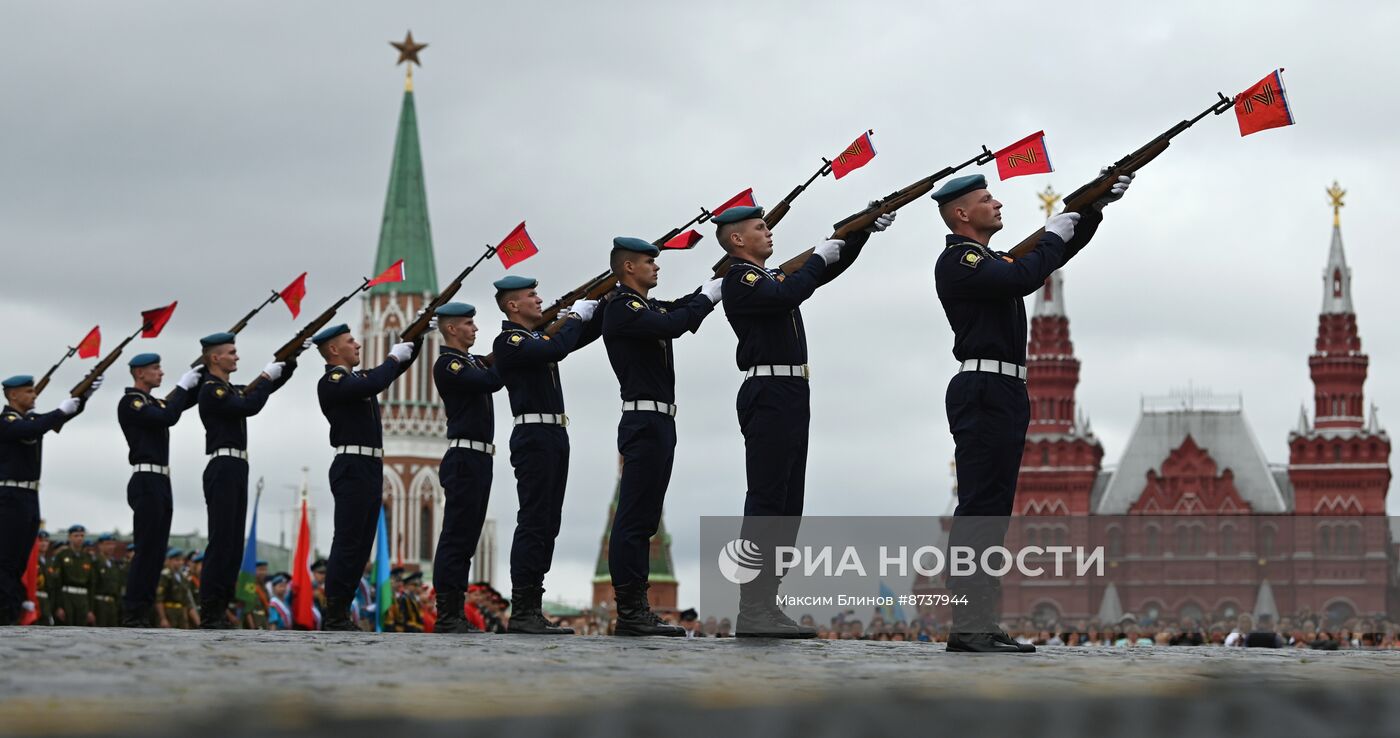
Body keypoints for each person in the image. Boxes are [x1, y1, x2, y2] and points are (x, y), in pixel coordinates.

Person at [931, 172, 1131, 653]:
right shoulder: (960, 260)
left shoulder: (990, 260)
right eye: (986, 199)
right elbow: (1025, 276)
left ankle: (981, 620)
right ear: (961, 213)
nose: (997, 203)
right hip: (982, 387)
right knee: (979, 510)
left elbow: (1049, 256)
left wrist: (1090, 212)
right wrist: (1059, 225)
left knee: (995, 513)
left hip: (1006, 388)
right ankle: (969, 624)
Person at [713, 203, 895, 637]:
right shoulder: (741, 279)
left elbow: (822, 272)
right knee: (767, 501)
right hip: (769, 391)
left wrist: (858, 234)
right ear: (737, 240)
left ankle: (767, 601)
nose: (769, 232)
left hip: (791, 392)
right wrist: (821, 253)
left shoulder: (768, 276)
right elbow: (794, 290)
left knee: (789, 504)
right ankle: (752, 606)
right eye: (760, 228)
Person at [601, 237, 720, 636]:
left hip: (659, 422)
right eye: (649, 262)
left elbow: (677, 310)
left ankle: (638, 607)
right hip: (644, 421)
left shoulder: (643, 307)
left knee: (645, 517)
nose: (657, 267)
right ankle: (631, 610)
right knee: (634, 519)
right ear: (629, 267)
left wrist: (708, 290)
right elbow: (674, 323)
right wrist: (710, 296)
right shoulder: (622, 306)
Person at [491, 275, 601, 634]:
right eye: (531, 295)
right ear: (512, 305)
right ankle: (523, 609)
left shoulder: (537, 337)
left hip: (554, 433)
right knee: (534, 520)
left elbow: (579, 337)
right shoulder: (509, 340)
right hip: (533, 434)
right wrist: (574, 316)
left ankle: (533, 606)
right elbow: (557, 348)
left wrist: (601, 303)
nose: (539, 299)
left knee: (548, 522)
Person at [311, 323, 418, 630]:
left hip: (370, 466)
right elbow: (379, 379)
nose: (357, 345)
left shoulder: (356, 378)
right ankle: (335, 612)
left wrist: (417, 336)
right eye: (350, 341)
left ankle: (342, 610)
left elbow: (393, 369)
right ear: (333, 350)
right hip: (351, 464)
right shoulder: (333, 380)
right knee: (348, 540)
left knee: (362, 543)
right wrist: (394, 358)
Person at [196, 332, 293, 628]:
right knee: (222, 541)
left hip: (237, 466)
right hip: (222, 465)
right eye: (231, 352)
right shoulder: (211, 389)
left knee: (233, 544)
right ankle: (211, 610)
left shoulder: (229, 388)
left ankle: (221, 608)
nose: (237, 357)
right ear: (215, 358)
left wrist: (290, 360)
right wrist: (265, 375)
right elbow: (249, 405)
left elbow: (263, 391)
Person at [429, 302, 505, 634]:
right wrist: (510, 347)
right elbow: (491, 381)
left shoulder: (469, 362)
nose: (475, 329)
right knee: (456, 537)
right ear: (451, 329)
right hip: (464, 457)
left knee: (468, 536)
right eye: (468, 324)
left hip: (479, 458)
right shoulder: (449, 365)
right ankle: (448, 612)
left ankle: (455, 610)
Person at [0, 374, 98, 625]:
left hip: (30, 495)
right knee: (7, 558)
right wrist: (60, 410)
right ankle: (6, 611)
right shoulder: (7, 421)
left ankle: (10, 610)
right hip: (9, 496)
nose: (34, 396)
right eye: (29, 392)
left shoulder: (31, 419)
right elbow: (33, 427)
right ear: (13, 395)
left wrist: (83, 397)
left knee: (20, 558)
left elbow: (51, 420)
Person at [117, 352, 203, 627]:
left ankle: (142, 612)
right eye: (156, 368)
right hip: (146, 479)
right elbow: (169, 415)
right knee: (146, 549)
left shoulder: (151, 402)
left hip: (161, 481)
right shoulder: (132, 402)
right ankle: (134, 612)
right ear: (139, 373)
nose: (161, 373)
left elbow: (179, 404)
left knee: (156, 551)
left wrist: (199, 379)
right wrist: (182, 385)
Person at [51, 525, 95, 626]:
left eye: (82, 535)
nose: (79, 538)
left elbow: (92, 584)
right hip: (66, 597)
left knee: (82, 629)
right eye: (76, 535)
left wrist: (90, 609)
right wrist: (58, 606)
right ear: (69, 537)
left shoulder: (88, 558)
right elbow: (56, 583)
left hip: (83, 599)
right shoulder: (62, 556)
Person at [157, 548, 193, 629]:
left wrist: (185, 619)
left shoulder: (182, 576)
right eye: (177, 560)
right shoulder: (165, 575)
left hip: (180, 614)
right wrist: (163, 618)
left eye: (181, 560)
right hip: (169, 612)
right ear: (169, 561)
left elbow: (185, 600)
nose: (180, 563)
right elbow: (159, 599)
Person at [93, 533, 124, 627]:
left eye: (112, 544)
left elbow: (118, 586)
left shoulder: (114, 564)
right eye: (107, 544)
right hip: (99, 604)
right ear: (100, 545)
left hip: (113, 605)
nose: (111, 547)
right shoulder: (96, 562)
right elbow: (92, 585)